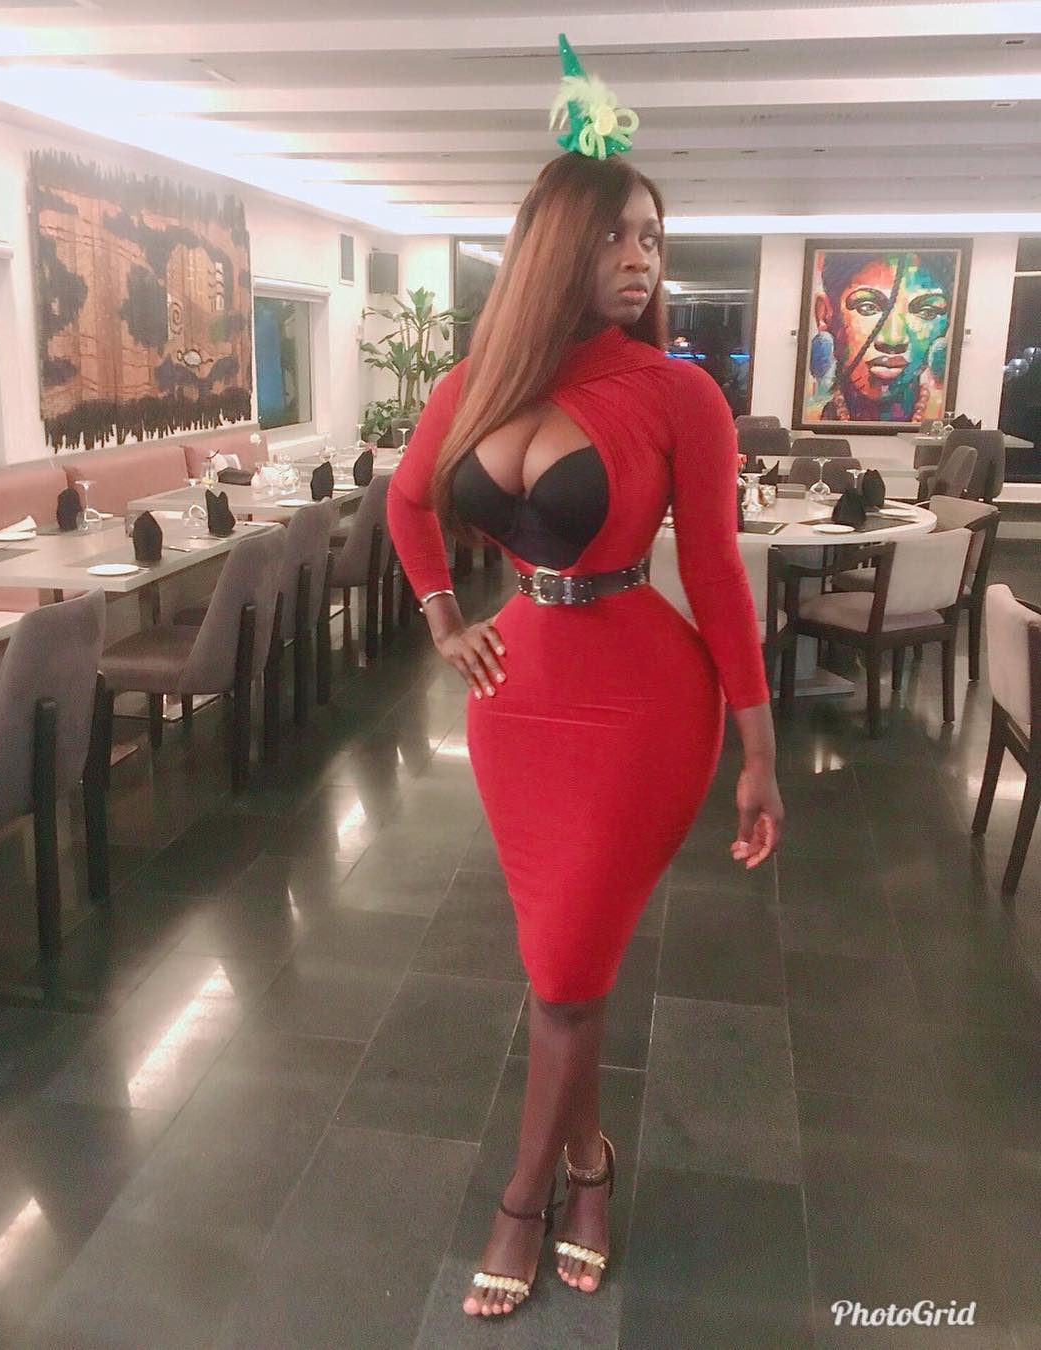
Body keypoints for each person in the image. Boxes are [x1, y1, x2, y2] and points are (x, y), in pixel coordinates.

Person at [386, 35, 784, 1321]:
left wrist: (759, 748)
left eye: (653, 238)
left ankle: (523, 1200)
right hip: (516, 705)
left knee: (563, 970)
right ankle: (593, 1167)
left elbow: (714, 575)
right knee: (567, 965)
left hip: (641, 710)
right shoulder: (478, 381)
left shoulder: (679, 396)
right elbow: (407, 501)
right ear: (556, 244)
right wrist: (445, 618)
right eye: (616, 234)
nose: (640, 256)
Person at [810, 249, 957, 425]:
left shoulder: (939, 416)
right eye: (867, 307)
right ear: (825, 314)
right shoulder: (813, 414)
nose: (894, 340)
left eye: (927, 311)